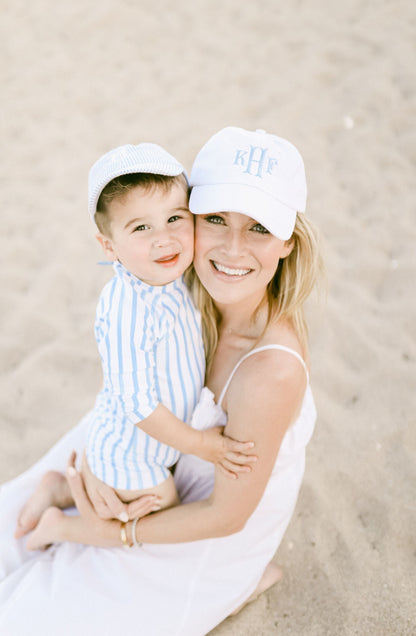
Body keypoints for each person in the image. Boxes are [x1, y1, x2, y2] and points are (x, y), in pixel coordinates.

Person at [0, 127, 324, 636]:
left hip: (206, 524)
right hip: (160, 457)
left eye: (259, 227)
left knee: (25, 620)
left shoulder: (271, 372)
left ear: (287, 241)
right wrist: (96, 466)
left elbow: (225, 518)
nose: (234, 248)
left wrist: (118, 532)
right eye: (215, 219)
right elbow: (135, 386)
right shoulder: (184, 291)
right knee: (8, 529)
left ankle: (233, 584)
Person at [14, 143, 256, 538]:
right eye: (141, 227)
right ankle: (58, 528)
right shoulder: (128, 307)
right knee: (160, 518)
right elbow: (139, 406)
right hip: (132, 457)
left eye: (175, 218)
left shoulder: (168, 274)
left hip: (159, 444)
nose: (163, 239)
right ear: (109, 247)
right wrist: (201, 445)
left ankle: (58, 488)